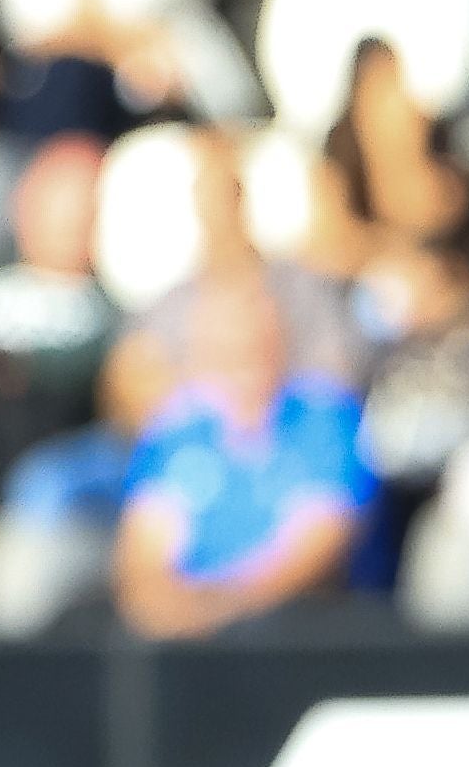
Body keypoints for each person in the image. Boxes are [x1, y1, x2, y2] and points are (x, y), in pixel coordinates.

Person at [115, 270, 373, 637]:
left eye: (254, 344)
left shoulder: (327, 419)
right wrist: (175, 613)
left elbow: (320, 549)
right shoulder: (175, 430)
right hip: (186, 641)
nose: (243, 360)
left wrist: (224, 610)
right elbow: (143, 557)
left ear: (279, 342)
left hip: (297, 633)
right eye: (225, 347)